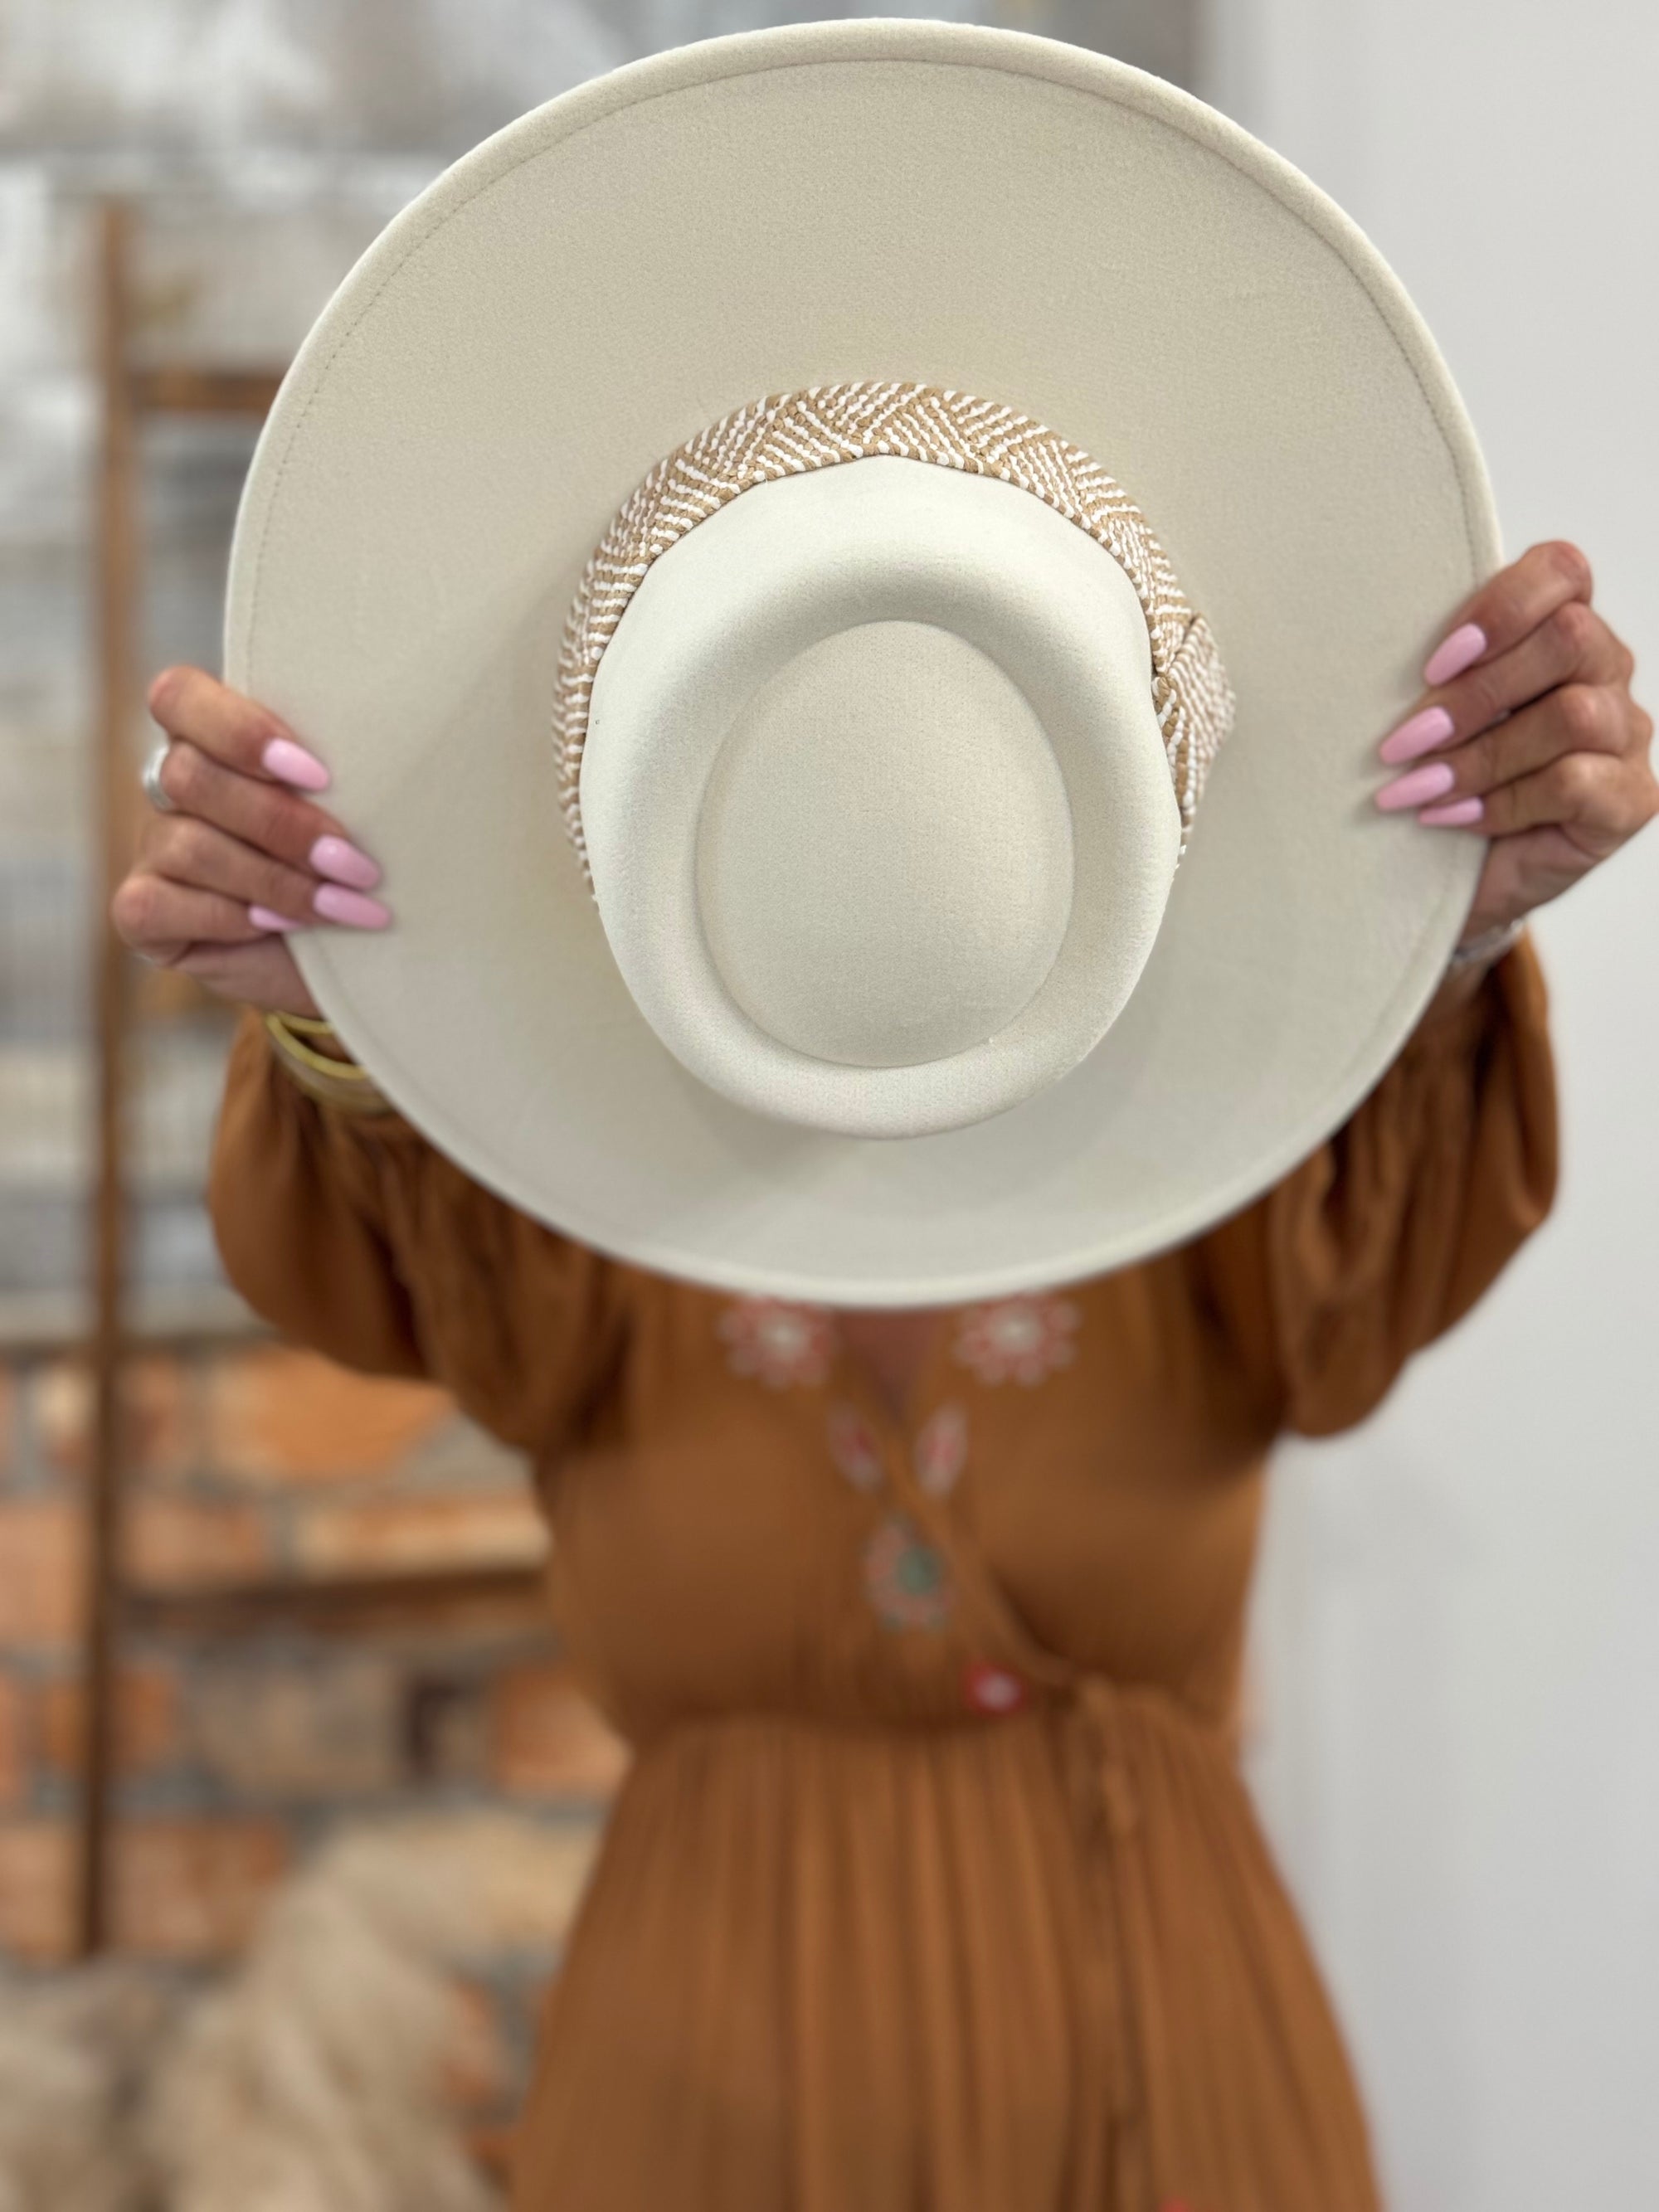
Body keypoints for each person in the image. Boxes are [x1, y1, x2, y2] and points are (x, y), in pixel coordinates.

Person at [115, 537, 1652, 2210]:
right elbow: (435, 1304)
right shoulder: (587, 1150)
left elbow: (1354, 1308)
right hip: (692, 2116)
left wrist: (1437, 929)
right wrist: (354, 1005)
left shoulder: (1209, 1116)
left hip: (1179, 2097)